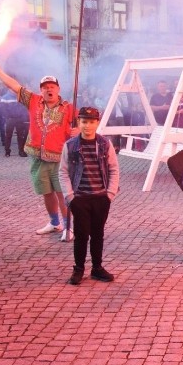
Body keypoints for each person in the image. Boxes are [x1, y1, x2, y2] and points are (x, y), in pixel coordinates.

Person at [0, 63, 77, 237]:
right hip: (37, 158)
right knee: (46, 192)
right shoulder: (34, 100)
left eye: (52, 87)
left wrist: (79, 130)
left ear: (58, 89)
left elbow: (87, 120)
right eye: (45, 87)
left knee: (62, 194)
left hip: (60, 159)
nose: (48, 90)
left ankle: (68, 227)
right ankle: (54, 223)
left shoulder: (68, 107)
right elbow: (13, 86)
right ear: (41, 90)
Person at [58, 106, 119, 285]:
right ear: (79, 122)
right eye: (84, 122)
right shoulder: (70, 146)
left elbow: (114, 169)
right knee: (81, 234)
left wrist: (110, 194)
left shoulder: (104, 144)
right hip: (80, 199)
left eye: (92, 122)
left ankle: (97, 268)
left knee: (97, 234)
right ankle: (78, 269)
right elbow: (63, 172)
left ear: (97, 123)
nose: (88, 126)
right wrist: (70, 197)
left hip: (101, 198)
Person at [0, 87, 29, 157]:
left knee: (20, 136)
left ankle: (21, 151)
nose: (14, 90)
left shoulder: (20, 96)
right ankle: (7, 151)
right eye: (12, 89)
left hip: (20, 119)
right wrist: (8, 117)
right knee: (8, 136)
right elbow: (3, 109)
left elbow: (24, 107)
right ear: (9, 89)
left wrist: (23, 116)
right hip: (10, 119)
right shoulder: (5, 97)